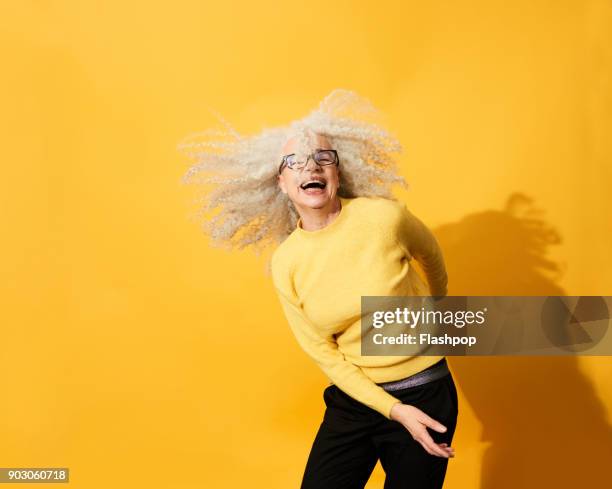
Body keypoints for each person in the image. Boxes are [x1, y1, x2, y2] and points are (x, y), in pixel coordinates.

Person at [180, 89, 459, 489]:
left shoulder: (384, 218)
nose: (309, 166)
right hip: (357, 401)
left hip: (425, 394)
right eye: (294, 162)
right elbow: (324, 353)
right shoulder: (287, 262)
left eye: (322, 158)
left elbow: (431, 255)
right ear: (280, 181)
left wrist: (436, 307)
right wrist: (393, 411)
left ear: (336, 172)